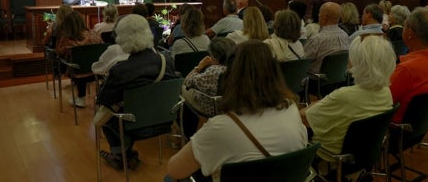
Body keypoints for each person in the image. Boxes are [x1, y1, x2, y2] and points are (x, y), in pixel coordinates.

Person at [167, 40, 308, 182]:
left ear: (231, 76)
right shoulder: (291, 108)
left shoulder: (221, 127)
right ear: (275, 74)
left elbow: (175, 170)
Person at [97, 14, 177, 170]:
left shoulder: (120, 70)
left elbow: (103, 100)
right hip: (164, 121)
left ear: (121, 37)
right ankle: (125, 154)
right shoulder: (166, 60)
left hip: (134, 127)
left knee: (106, 114)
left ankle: (120, 155)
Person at [300, 35, 394, 158]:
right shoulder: (386, 91)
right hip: (364, 154)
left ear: (357, 61)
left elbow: (303, 119)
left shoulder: (345, 96)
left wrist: (311, 107)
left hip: (327, 155)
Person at [390, 7, 428, 123]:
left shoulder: (406, 70)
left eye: (404, 26)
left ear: (410, 34)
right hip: (424, 124)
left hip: (397, 128)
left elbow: (384, 101)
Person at [55, 10, 103, 107]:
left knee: (76, 64)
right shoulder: (93, 34)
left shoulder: (67, 38)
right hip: (97, 71)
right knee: (85, 62)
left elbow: (59, 52)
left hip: (77, 72)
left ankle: (81, 98)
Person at [304, 2, 350, 75]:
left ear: (324, 17)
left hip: (315, 82)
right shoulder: (345, 35)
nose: (318, 15)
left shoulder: (317, 39)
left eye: (319, 13)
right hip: (339, 80)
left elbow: (303, 63)